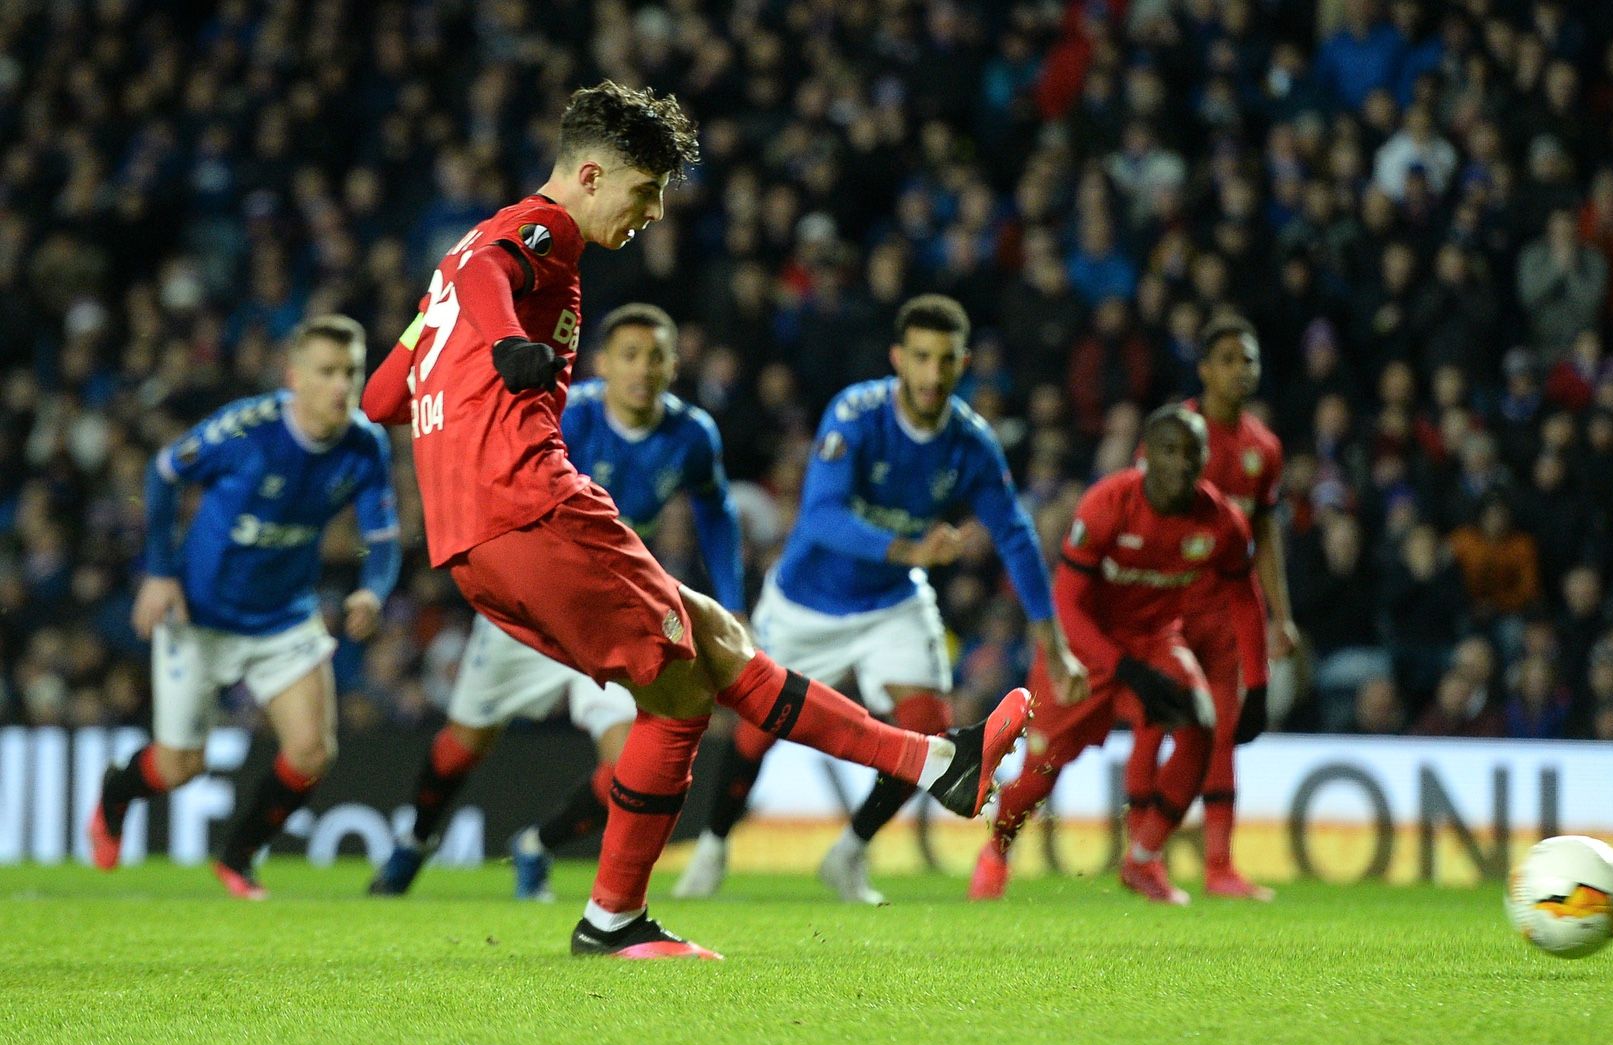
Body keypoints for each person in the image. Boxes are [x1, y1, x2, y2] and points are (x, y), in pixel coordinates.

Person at [358, 82, 1028, 961]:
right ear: (591, 173)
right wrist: (501, 348)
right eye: (645, 192)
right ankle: (614, 920)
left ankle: (937, 762)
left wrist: (452, 356)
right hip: (530, 503)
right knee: (678, 695)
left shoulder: (450, 269)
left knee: (714, 635)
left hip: (472, 539)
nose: (652, 213)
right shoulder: (540, 232)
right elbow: (491, 281)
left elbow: (379, 397)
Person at [673, 294, 1088, 905]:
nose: (932, 374)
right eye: (920, 357)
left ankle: (849, 853)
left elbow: (1015, 534)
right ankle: (712, 847)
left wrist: (1051, 642)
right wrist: (910, 549)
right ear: (898, 358)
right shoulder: (857, 414)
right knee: (758, 733)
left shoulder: (971, 442)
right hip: (807, 602)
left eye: (945, 360)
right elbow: (819, 518)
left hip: (893, 603)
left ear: (963, 363)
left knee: (930, 731)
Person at [367, 303, 746, 902]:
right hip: (534, 603)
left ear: (675, 364)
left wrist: (733, 599)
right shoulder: (565, 410)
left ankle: (537, 846)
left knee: (632, 760)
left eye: (656, 356)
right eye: (629, 356)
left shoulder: (693, 434)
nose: (643, 370)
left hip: (610, 611)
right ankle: (414, 841)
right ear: (602, 364)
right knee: (466, 740)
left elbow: (715, 510)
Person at [88, 316, 399, 900]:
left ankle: (239, 855)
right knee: (181, 767)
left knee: (311, 751)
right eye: (328, 372)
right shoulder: (246, 431)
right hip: (201, 617)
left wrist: (370, 591)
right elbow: (162, 475)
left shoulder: (365, 444)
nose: (342, 386)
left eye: (351, 372)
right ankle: (117, 791)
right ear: (294, 378)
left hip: (284, 615)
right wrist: (158, 572)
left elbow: (381, 539)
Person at [969, 405, 1267, 904]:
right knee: (1041, 773)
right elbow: (1067, 602)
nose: (1181, 464)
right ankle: (997, 850)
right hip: (1083, 647)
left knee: (1201, 723)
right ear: (1147, 456)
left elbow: (1246, 596)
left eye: (1192, 454)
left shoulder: (1222, 522)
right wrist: (1122, 666)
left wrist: (1256, 683)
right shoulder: (1108, 504)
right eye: (1169, 451)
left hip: (1155, 641)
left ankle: (1144, 860)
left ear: (1205, 460)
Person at [1119, 315, 1294, 901]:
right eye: (1228, 359)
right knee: (1153, 728)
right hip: (1164, 611)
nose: (1240, 371)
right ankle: (1141, 855)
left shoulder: (1263, 449)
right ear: (1203, 369)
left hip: (1222, 614)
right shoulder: (1174, 438)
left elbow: (1263, 536)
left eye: (1249, 359)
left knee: (1220, 733)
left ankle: (1219, 867)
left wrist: (1281, 614)